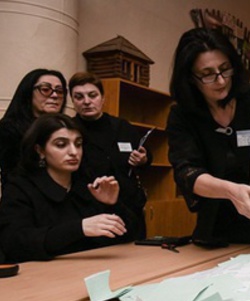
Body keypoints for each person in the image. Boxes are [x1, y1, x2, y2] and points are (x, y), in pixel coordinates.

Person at [167, 28, 250, 247]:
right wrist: (231, 191)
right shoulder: (182, 115)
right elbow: (186, 172)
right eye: (208, 74)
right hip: (218, 231)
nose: (220, 81)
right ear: (191, 78)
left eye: (225, 69)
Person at [0, 114, 138, 262]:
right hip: (40, 277)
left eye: (78, 144)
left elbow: (128, 238)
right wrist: (79, 228)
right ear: (40, 150)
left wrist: (112, 205)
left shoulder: (89, 183)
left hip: (91, 270)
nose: (74, 152)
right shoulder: (20, 187)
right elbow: (14, 244)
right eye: (61, 144)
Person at [69, 72, 151, 239]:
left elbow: (146, 155)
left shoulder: (122, 127)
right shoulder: (68, 129)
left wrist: (144, 159)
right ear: (72, 101)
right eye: (79, 97)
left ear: (103, 98)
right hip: (90, 213)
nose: (86, 101)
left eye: (92, 95)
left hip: (129, 210)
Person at [0, 69, 67, 191]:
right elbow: (12, 174)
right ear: (28, 93)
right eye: (46, 89)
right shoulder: (9, 128)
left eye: (60, 91)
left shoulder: (66, 126)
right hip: (23, 199)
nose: (55, 95)